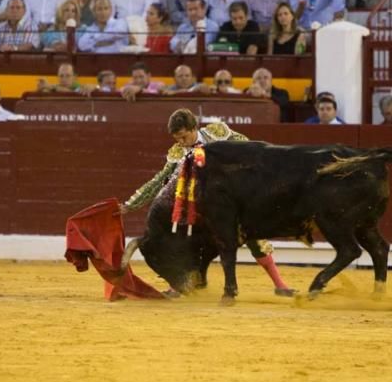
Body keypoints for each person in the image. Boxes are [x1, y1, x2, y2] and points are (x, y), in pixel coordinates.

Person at [119, 107, 296, 296]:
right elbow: (158, 181)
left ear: (194, 127)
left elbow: (248, 148)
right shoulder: (178, 152)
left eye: (183, 137)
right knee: (184, 241)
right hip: (202, 209)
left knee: (254, 238)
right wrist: (131, 204)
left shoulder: (217, 133)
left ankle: (280, 285)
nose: (181, 142)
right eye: (177, 139)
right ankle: (176, 286)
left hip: (232, 200)